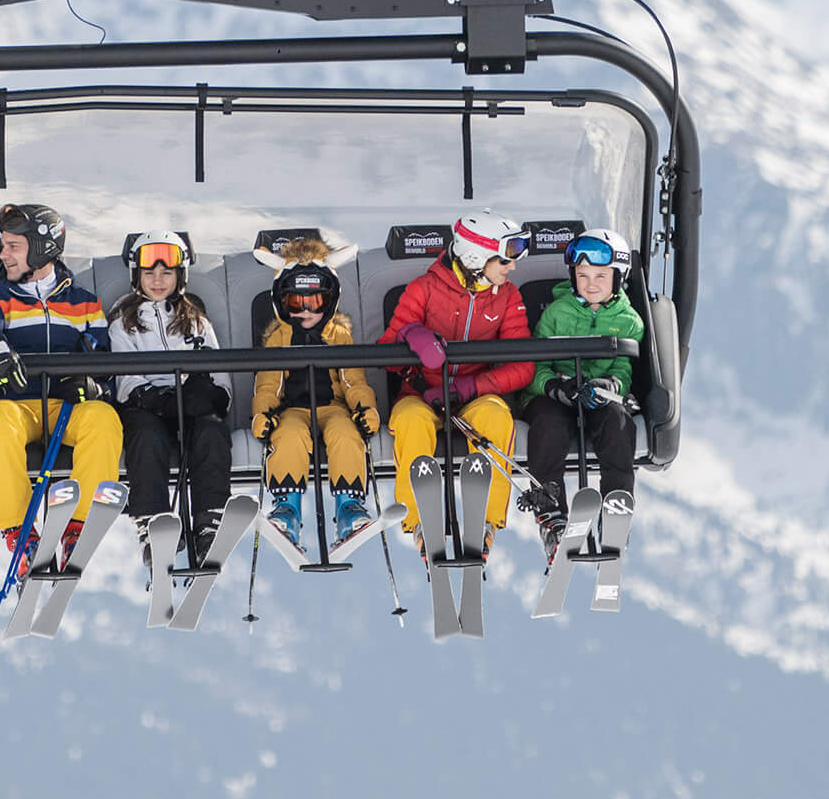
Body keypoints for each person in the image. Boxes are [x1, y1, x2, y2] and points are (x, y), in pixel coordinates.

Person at [0, 202, 122, 578]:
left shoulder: (82, 301)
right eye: (3, 246)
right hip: (19, 405)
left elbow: (101, 350)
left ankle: (77, 527)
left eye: (13, 246)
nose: (3, 254)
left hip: (67, 407)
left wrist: (92, 384)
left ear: (42, 248)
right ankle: (19, 531)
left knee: (102, 418)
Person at [376, 210, 536, 555]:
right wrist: (410, 334)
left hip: (472, 395)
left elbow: (523, 366)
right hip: (421, 396)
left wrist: (470, 387)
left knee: (496, 416)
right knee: (410, 421)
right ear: (476, 257)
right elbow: (385, 356)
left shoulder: (507, 297)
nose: (512, 268)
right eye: (505, 259)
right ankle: (420, 521)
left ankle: (487, 522)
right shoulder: (424, 290)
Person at [105, 231, 232, 573]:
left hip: (190, 404)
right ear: (137, 277)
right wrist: (155, 398)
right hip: (148, 407)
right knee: (145, 436)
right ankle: (153, 522)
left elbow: (218, 370)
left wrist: (213, 395)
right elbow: (123, 375)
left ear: (180, 276)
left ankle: (209, 521)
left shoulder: (194, 319)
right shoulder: (124, 321)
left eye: (166, 274)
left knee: (211, 432)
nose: (158, 281)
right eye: (150, 274)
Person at [250, 234, 381, 552]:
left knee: (345, 433)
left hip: (332, 406)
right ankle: (287, 508)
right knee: (289, 434)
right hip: (293, 409)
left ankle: (349, 506)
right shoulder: (279, 338)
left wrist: (364, 408)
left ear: (330, 300)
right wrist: (264, 413)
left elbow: (353, 380)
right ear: (282, 302)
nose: (306, 311)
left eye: (315, 303)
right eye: (296, 303)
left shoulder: (338, 335)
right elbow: (269, 383)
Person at [520, 227, 645, 556]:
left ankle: (615, 508)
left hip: (597, 399)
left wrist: (610, 386)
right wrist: (556, 388)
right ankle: (552, 514)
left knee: (617, 422)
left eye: (601, 276)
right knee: (549, 426)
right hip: (552, 398)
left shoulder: (629, 321)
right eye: (582, 275)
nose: (590, 284)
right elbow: (534, 365)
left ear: (618, 278)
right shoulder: (556, 314)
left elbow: (623, 368)